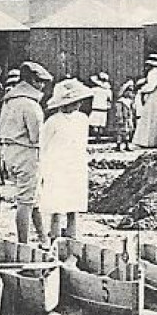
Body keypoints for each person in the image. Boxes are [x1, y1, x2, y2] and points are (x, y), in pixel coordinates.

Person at [0, 61, 50, 243]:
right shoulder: (30, 105)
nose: (42, 86)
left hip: (9, 152)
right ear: (33, 82)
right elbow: (36, 137)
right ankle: (23, 243)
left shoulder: (9, 101)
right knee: (26, 202)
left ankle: (43, 237)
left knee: (32, 198)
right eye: (40, 81)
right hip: (27, 153)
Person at [37, 77, 93, 243]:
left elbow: (83, 141)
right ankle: (54, 235)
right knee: (57, 203)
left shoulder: (82, 119)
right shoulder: (53, 121)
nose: (77, 105)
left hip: (75, 164)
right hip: (57, 164)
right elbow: (43, 143)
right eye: (74, 102)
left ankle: (72, 234)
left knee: (73, 203)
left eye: (79, 101)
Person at [111, 79, 137, 151]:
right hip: (122, 119)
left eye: (131, 91)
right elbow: (119, 110)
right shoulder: (121, 101)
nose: (130, 93)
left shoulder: (130, 101)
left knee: (127, 132)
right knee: (120, 132)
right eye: (128, 91)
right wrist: (119, 118)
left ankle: (127, 145)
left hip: (128, 118)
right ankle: (118, 145)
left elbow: (132, 109)